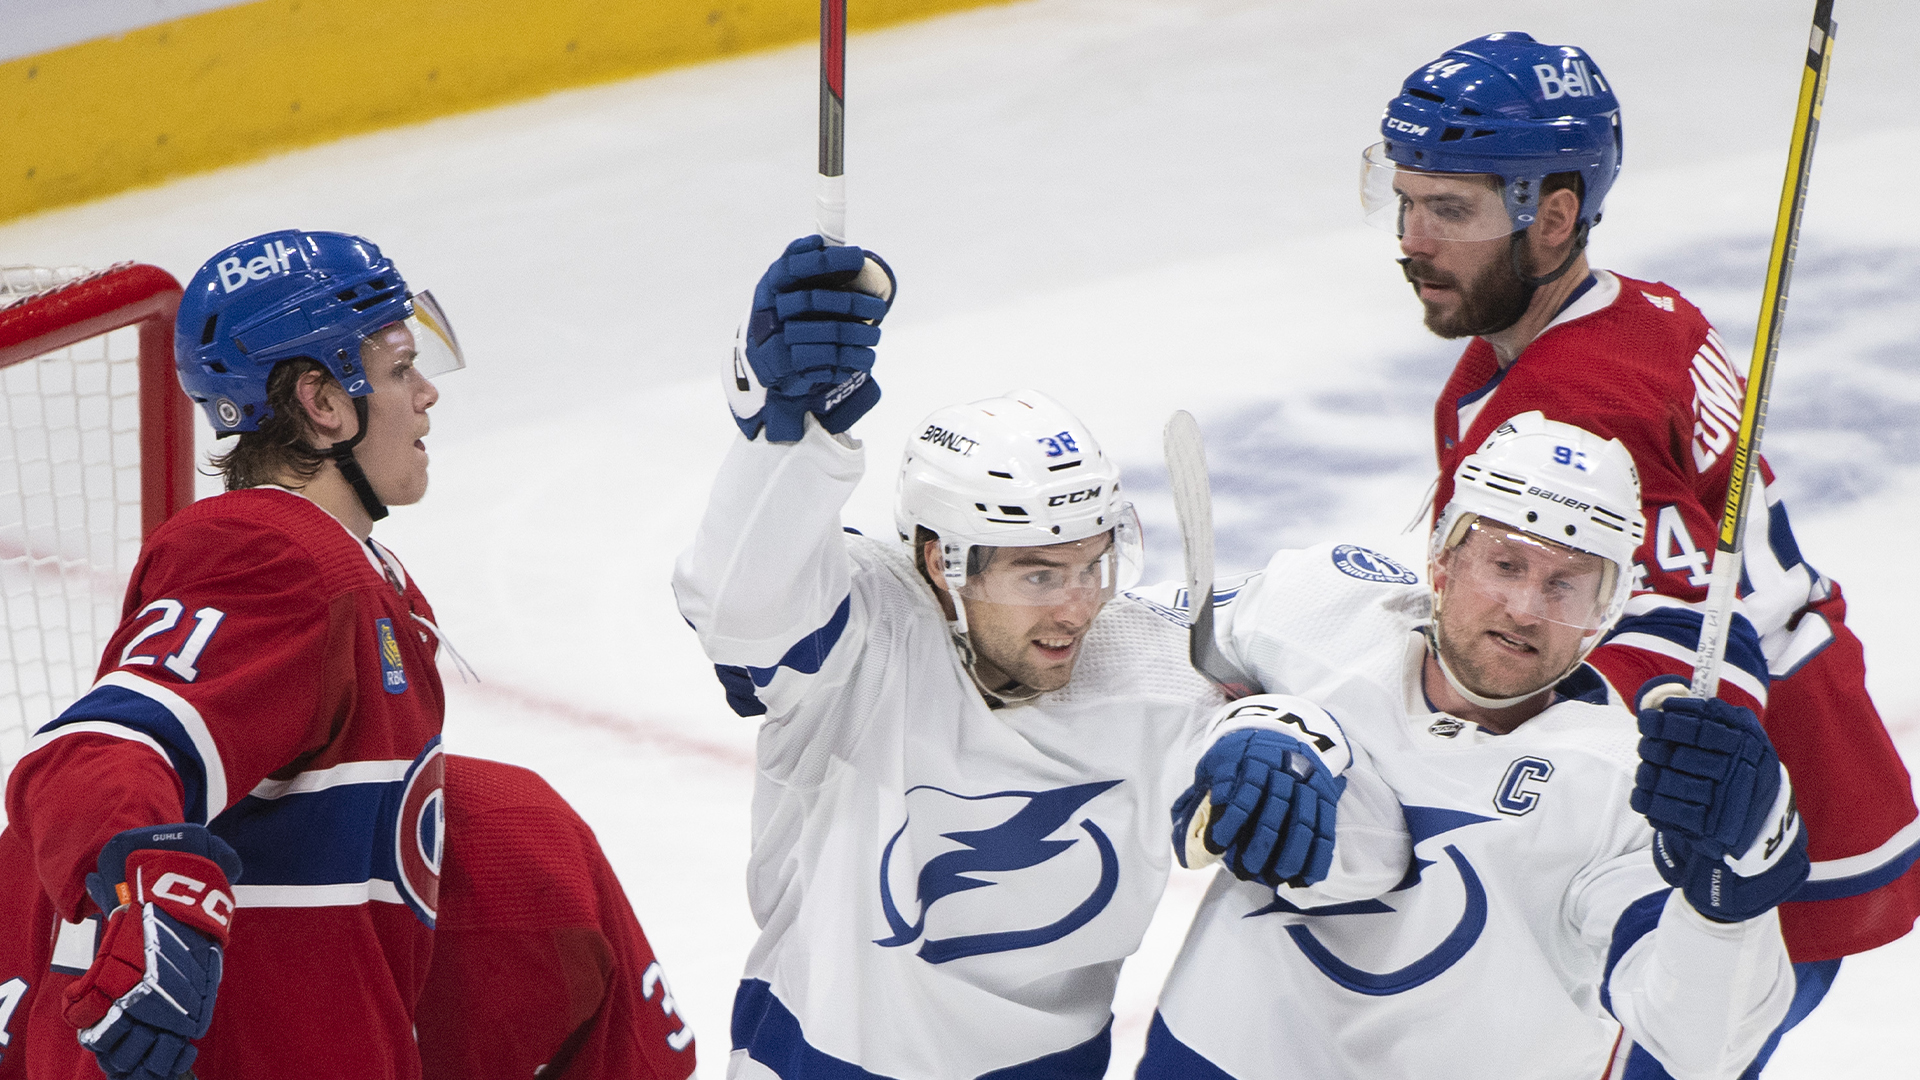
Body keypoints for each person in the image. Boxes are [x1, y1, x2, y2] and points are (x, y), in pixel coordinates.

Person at [0, 230, 694, 1080]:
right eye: (400, 368)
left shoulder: (349, 572)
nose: (428, 393)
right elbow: (101, 747)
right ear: (323, 402)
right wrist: (153, 887)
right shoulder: (276, 552)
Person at [1362, 31, 1920, 1074]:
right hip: (1808, 769)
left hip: (1739, 827)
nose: (1413, 238)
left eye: (1451, 210)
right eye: (1403, 200)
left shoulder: (1572, 411)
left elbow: (1666, 640)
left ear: (1556, 214)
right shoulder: (1634, 314)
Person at [673, 236, 1229, 1080]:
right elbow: (740, 609)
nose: (1077, 607)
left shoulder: (1154, 668)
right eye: (1038, 574)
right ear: (941, 562)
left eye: (1092, 565)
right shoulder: (866, 640)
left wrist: (1283, 728)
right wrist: (784, 439)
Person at [1136, 413, 1802, 1080]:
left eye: (1566, 585)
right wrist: (1248, 725)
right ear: (1444, 557)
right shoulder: (1314, 610)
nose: (1524, 608)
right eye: (1506, 564)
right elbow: (1113, 655)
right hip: (1215, 1059)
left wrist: (1732, 903)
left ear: (1608, 610)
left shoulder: (1620, 790)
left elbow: (1693, 1045)